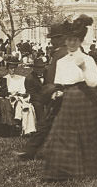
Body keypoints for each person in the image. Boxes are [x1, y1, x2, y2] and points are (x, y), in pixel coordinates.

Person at [42, 15, 97, 180]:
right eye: (69, 40)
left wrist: (84, 67)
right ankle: (61, 171)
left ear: (80, 41)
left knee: (85, 134)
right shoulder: (62, 61)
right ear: (65, 41)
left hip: (84, 98)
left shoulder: (87, 59)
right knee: (62, 133)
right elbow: (58, 82)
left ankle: (89, 169)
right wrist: (56, 91)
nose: (71, 43)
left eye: (75, 40)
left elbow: (94, 83)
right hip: (66, 100)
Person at [16, 22, 68, 160]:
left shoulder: (63, 53)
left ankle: (30, 151)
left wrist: (58, 90)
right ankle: (30, 151)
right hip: (58, 93)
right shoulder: (61, 52)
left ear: (60, 38)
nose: (52, 41)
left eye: (54, 38)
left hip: (61, 93)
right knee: (48, 123)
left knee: (49, 123)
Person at [0, 57, 36, 136]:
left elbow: (23, 91)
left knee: (28, 107)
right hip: (10, 100)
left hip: (21, 98)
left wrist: (20, 95)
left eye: (14, 68)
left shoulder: (22, 78)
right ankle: (26, 130)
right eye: (11, 68)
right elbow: (4, 93)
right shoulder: (4, 78)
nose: (13, 70)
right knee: (23, 105)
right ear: (7, 68)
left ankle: (27, 130)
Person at [25, 58, 46, 124]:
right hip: (35, 100)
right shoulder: (29, 78)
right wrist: (43, 99)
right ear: (33, 68)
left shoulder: (47, 75)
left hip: (47, 97)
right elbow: (31, 94)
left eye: (42, 67)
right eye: (37, 68)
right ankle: (41, 125)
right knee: (38, 106)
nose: (40, 70)